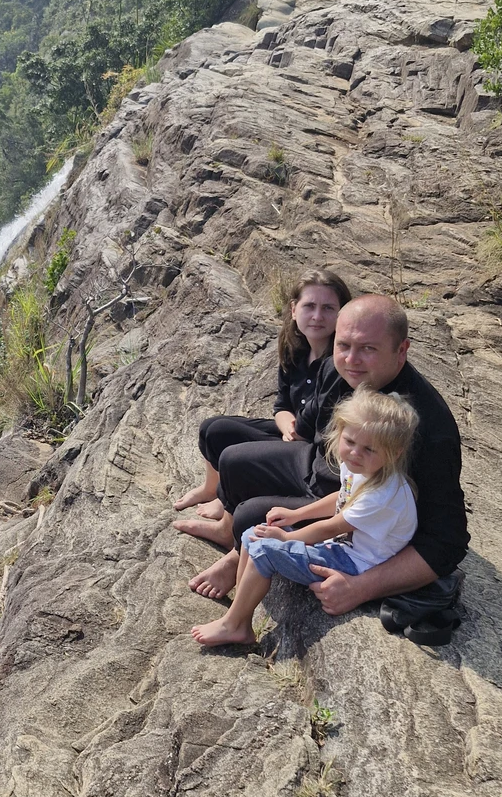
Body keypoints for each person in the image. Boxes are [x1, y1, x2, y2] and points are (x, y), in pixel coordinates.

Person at [187, 294, 469, 616]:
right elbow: (307, 430)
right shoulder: (340, 370)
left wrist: (361, 588)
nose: (351, 359)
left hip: (356, 503)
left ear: (401, 350)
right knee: (233, 459)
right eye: (344, 345)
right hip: (324, 466)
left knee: (255, 516)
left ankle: (237, 555)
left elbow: (447, 540)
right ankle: (230, 534)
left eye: (368, 348)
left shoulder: (427, 428)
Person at [191, 389, 418, 647]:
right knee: (252, 534)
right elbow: (341, 499)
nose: (355, 453)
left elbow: (332, 526)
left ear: (395, 452)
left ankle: (235, 625)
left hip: (358, 564)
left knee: (264, 550)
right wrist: (296, 514)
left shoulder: (382, 494)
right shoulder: (363, 468)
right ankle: (238, 616)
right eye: (350, 442)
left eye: (369, 449)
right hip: (346, 545)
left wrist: (287, 536)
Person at [172, 269, 353, 547]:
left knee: (236, 458)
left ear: (343, 314)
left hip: (310, 449)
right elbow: (281, 405)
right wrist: (285, 426)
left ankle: (226, 524)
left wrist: (295, 432)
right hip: (291, 434)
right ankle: (214, 491)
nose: (317, 316)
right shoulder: (296, 349)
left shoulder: (338, 363)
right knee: (215, 429)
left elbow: (313, 429)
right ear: (294, 310)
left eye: (328, 308)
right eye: (309, 306)